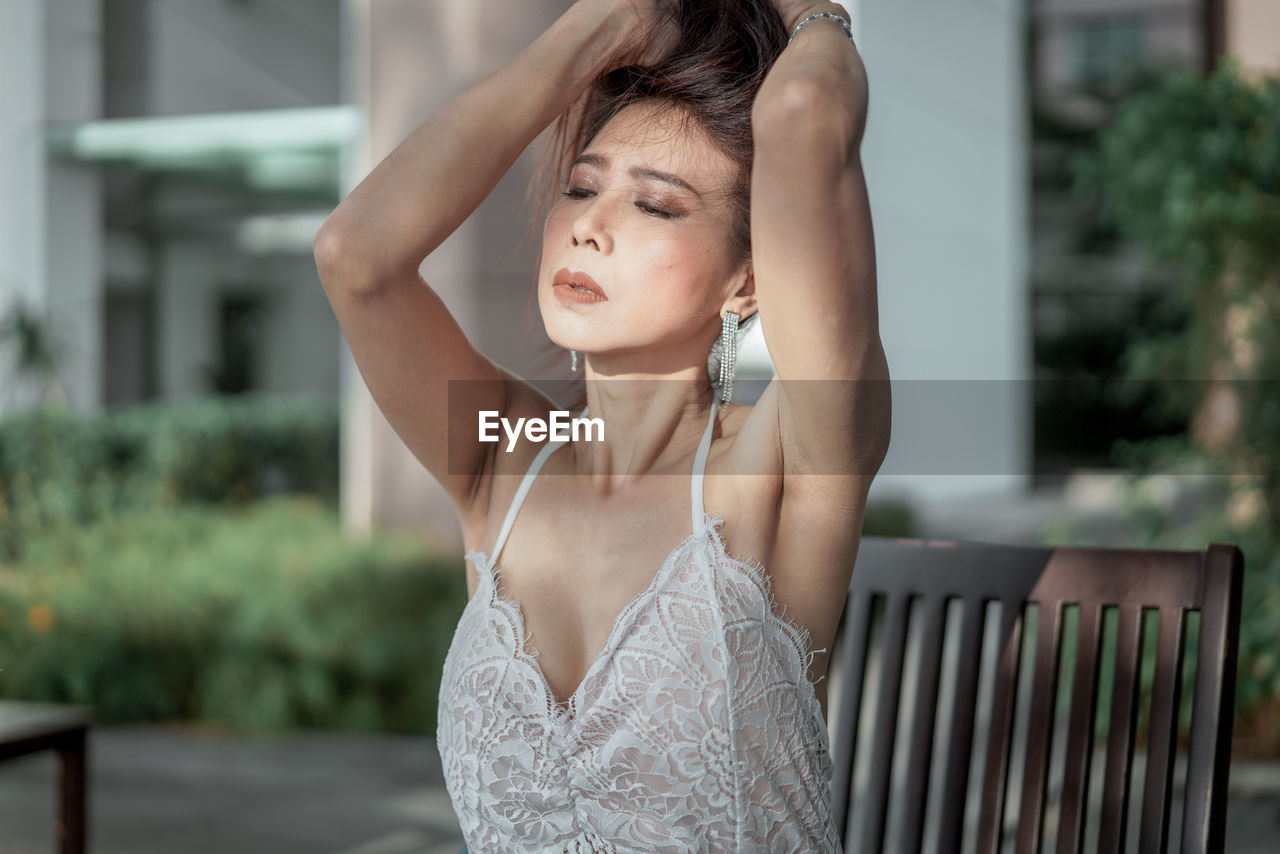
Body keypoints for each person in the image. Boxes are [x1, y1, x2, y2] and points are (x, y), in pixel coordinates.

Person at [314, 0, 890, 849]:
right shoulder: (505, 459)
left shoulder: (785, 467)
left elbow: (804, 116)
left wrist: (812, 13)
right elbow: (354, 257)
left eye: (654, 206)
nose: (587, 225)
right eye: (581, 187)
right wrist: (599, 28)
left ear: (746, 283)